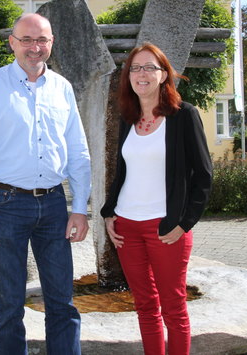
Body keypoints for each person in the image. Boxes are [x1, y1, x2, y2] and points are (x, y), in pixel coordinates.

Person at [0, 13, 91, 355]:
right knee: (10, 304)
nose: (35, 47)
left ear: (51, 43)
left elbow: (77, 151)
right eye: (27, 40)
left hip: (53, 206)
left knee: (62, 302)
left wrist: (79, 209)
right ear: (13, 43)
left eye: (42, 39)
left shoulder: (62, 88)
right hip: (4, 206)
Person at [100, 42, 212, 355]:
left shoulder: (183, 116)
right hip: (127, 229)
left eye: (150, 67)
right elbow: (122, 171)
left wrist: (184, 223)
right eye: (135, 68)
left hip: (166, 228)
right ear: (128, 77)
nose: (142, 73)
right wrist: (109, 214)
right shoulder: (128, 117)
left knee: (174, 309)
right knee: (145, 307)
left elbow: (203, 175)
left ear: (164, 75)